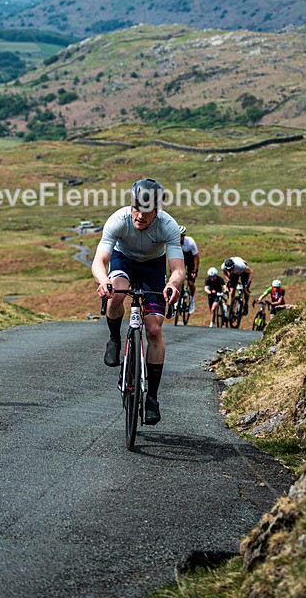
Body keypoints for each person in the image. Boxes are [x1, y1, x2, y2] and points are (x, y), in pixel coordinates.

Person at [91, 178, 185, 426]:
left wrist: (172, 285)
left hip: (153, 267)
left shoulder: (168, 226)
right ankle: (114, 338)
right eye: (136, 208)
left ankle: (152, 398)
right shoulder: (118, 220)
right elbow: (100, 260)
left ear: (157, 211)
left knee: (154, 330)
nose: (139, 216)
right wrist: (104, 281)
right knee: (118, 293)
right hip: (124, 260)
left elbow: (177, 269)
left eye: (146, 211)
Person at [178, 225, 199, 313]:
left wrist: (195, 270)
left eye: (181, 236)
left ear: (184, 236)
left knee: (190, 283)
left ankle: (191, 299)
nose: (179, 238)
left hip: (190, 259)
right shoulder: (174, 242)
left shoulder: (190, 242)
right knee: (178, 279)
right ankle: (177, 299)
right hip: (181, 258)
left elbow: (196, 257)